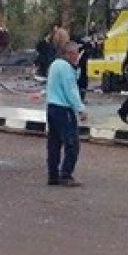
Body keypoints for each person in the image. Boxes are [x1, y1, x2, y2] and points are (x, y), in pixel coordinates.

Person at [45, 41, 88, 187]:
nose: (78, 57)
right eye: (76, 54)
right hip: (64, 109)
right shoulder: (65, 68)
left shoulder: (55, 65)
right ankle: (66, 174)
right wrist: (80, 109)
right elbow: (71, 90)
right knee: (72, 144)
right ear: (69, 53)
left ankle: (53, 174)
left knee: (54, 143)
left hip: (52, 107)